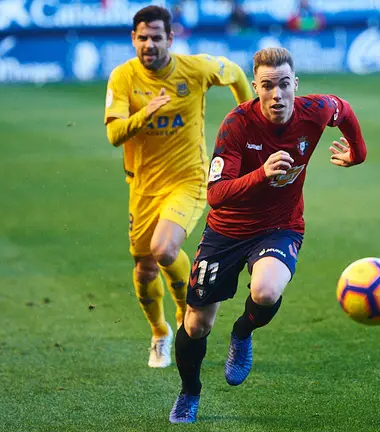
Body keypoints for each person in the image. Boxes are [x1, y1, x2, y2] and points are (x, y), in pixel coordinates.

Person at [168, 47, 368, 423]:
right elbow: (216, 194)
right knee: (196, 325)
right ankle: (189, 392)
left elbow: (343, 109)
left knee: (266, 291)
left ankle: (243, 331)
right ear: (256, 87)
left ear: (296, 84)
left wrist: (358, 152)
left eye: (284, 84)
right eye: (267, 86)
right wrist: (261, 174)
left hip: (280, 226)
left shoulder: (316, 109)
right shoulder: (237, 125)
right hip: (227, 231)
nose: (277, 95)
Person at [104, 5, 253, 368]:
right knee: (145, 270)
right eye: (143, 37)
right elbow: (114, 134)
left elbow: (235, 73)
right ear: (133, 39)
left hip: (189, 180)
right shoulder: (123, 77)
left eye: (156, 37)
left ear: (170, 38)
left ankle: (188, 308)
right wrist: (146, 113)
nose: (149, 44)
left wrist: (250, 119)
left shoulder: (195, 68)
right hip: (143, 186)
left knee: (164, 248)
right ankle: (160, 333)